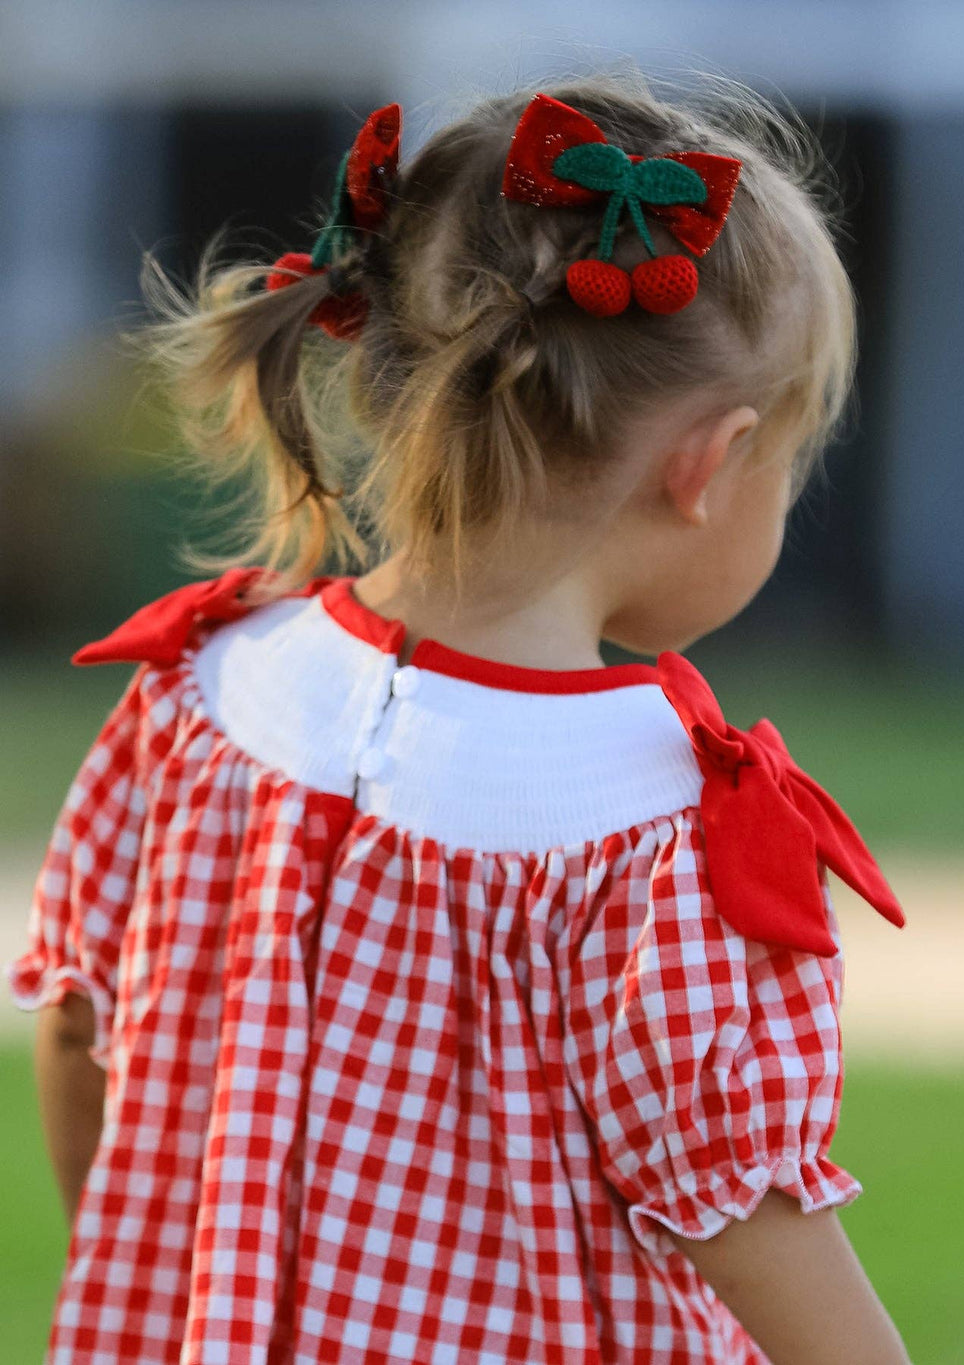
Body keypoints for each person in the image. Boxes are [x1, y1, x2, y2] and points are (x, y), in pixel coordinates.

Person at [5, 69, 914, 1365]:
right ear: (709, 466)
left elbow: (82, 1030)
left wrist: (158, 1297)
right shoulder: (653, 835)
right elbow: (748, 1212)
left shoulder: (202, 696)